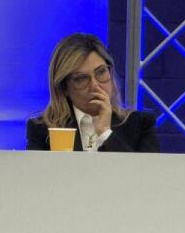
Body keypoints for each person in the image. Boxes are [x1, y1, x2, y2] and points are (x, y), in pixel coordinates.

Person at [27, 33, 159, 152]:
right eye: (81, 78)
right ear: (64, 88)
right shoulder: (42, 130)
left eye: (101, 72)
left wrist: (105, 133)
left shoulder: (141, 125)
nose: (95, 85)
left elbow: (142, 171)